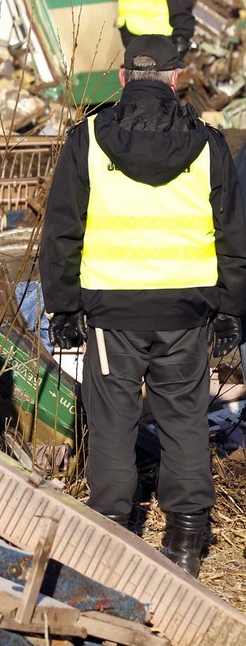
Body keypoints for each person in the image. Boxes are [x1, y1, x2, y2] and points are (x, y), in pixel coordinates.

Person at [39, 34, 246, 578]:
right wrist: (228, 310)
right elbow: (233, 235)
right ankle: (185, 541)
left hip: (112, 312)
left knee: (113, 422)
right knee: (184, 420)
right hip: (186, 311)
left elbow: (61, 232)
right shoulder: (208, 143)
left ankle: (113, 538)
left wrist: (62, 309)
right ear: (177, 78)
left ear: (125, 78)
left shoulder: (86, 140)